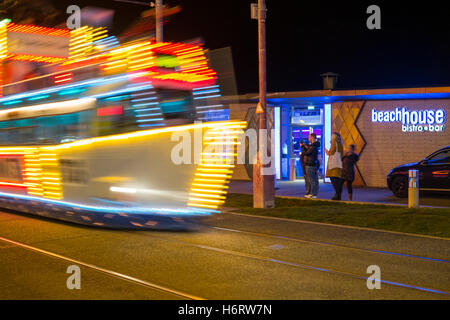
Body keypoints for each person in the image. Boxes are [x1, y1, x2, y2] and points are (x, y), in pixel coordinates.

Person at [300, 133, 320, 199]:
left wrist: (302, 147)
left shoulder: (313, 146)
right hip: (311, 165)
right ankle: (312, 193)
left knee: (312, 181)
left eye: (309, 137)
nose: (309, 139)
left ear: (312, 138)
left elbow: (307, 153)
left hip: (310, 165)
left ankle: (313, 194)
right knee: (312, 180)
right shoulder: (313, 146)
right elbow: (308, 153)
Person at [325, 132, 344, 200]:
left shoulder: (334, 143)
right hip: (338, 164)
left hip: (333, 165)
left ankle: (337, 194)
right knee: (336, 179)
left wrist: (326, 150)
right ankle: (338, 194)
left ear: (335, 136)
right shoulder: (340, 143)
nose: (331, 137)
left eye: (332, 136)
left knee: (333, 179)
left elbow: (330, 152)